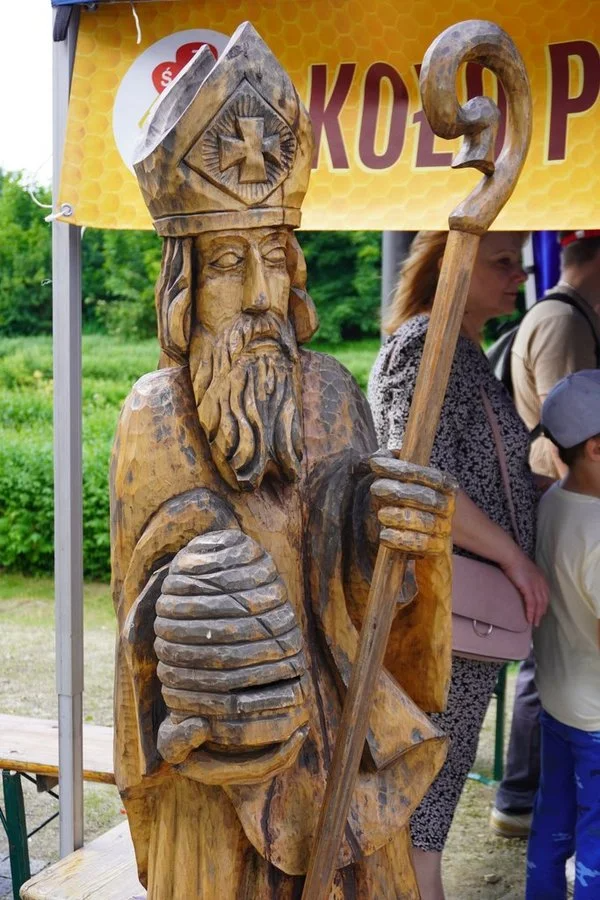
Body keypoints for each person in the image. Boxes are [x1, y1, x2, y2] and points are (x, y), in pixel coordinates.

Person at [112, 24, 457, 899]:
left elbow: (368, 598)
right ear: (184, 288)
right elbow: (140, 632)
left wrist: (389, 530)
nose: (263, 294)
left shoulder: (332, 391)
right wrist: (202, 635)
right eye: (230, 263)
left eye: (275, 257)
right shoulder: (156, 415)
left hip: (342, 766)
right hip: (217, 792)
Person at [368, 230, 549, 900]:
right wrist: (514, 558)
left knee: (433, 782)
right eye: (503, 261)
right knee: (424, 782)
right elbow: (418, 476)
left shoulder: (457, 346)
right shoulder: (429, 344)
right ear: (455, 264)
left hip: (457, 610)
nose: (519, 276)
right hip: (438, 612)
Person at [492, 231, 600, 840]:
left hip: (564, 495)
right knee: (552, 656)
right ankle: (516, 795)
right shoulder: (564, 322)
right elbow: (572, 428)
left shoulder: (563, 313)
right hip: (571, 494)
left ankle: (524, 798)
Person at [526, 370, 600, 900]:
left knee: (551, 828)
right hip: (598, 719)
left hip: (557, 702)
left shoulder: (553, 501)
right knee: (597, 849)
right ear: (596, 448)